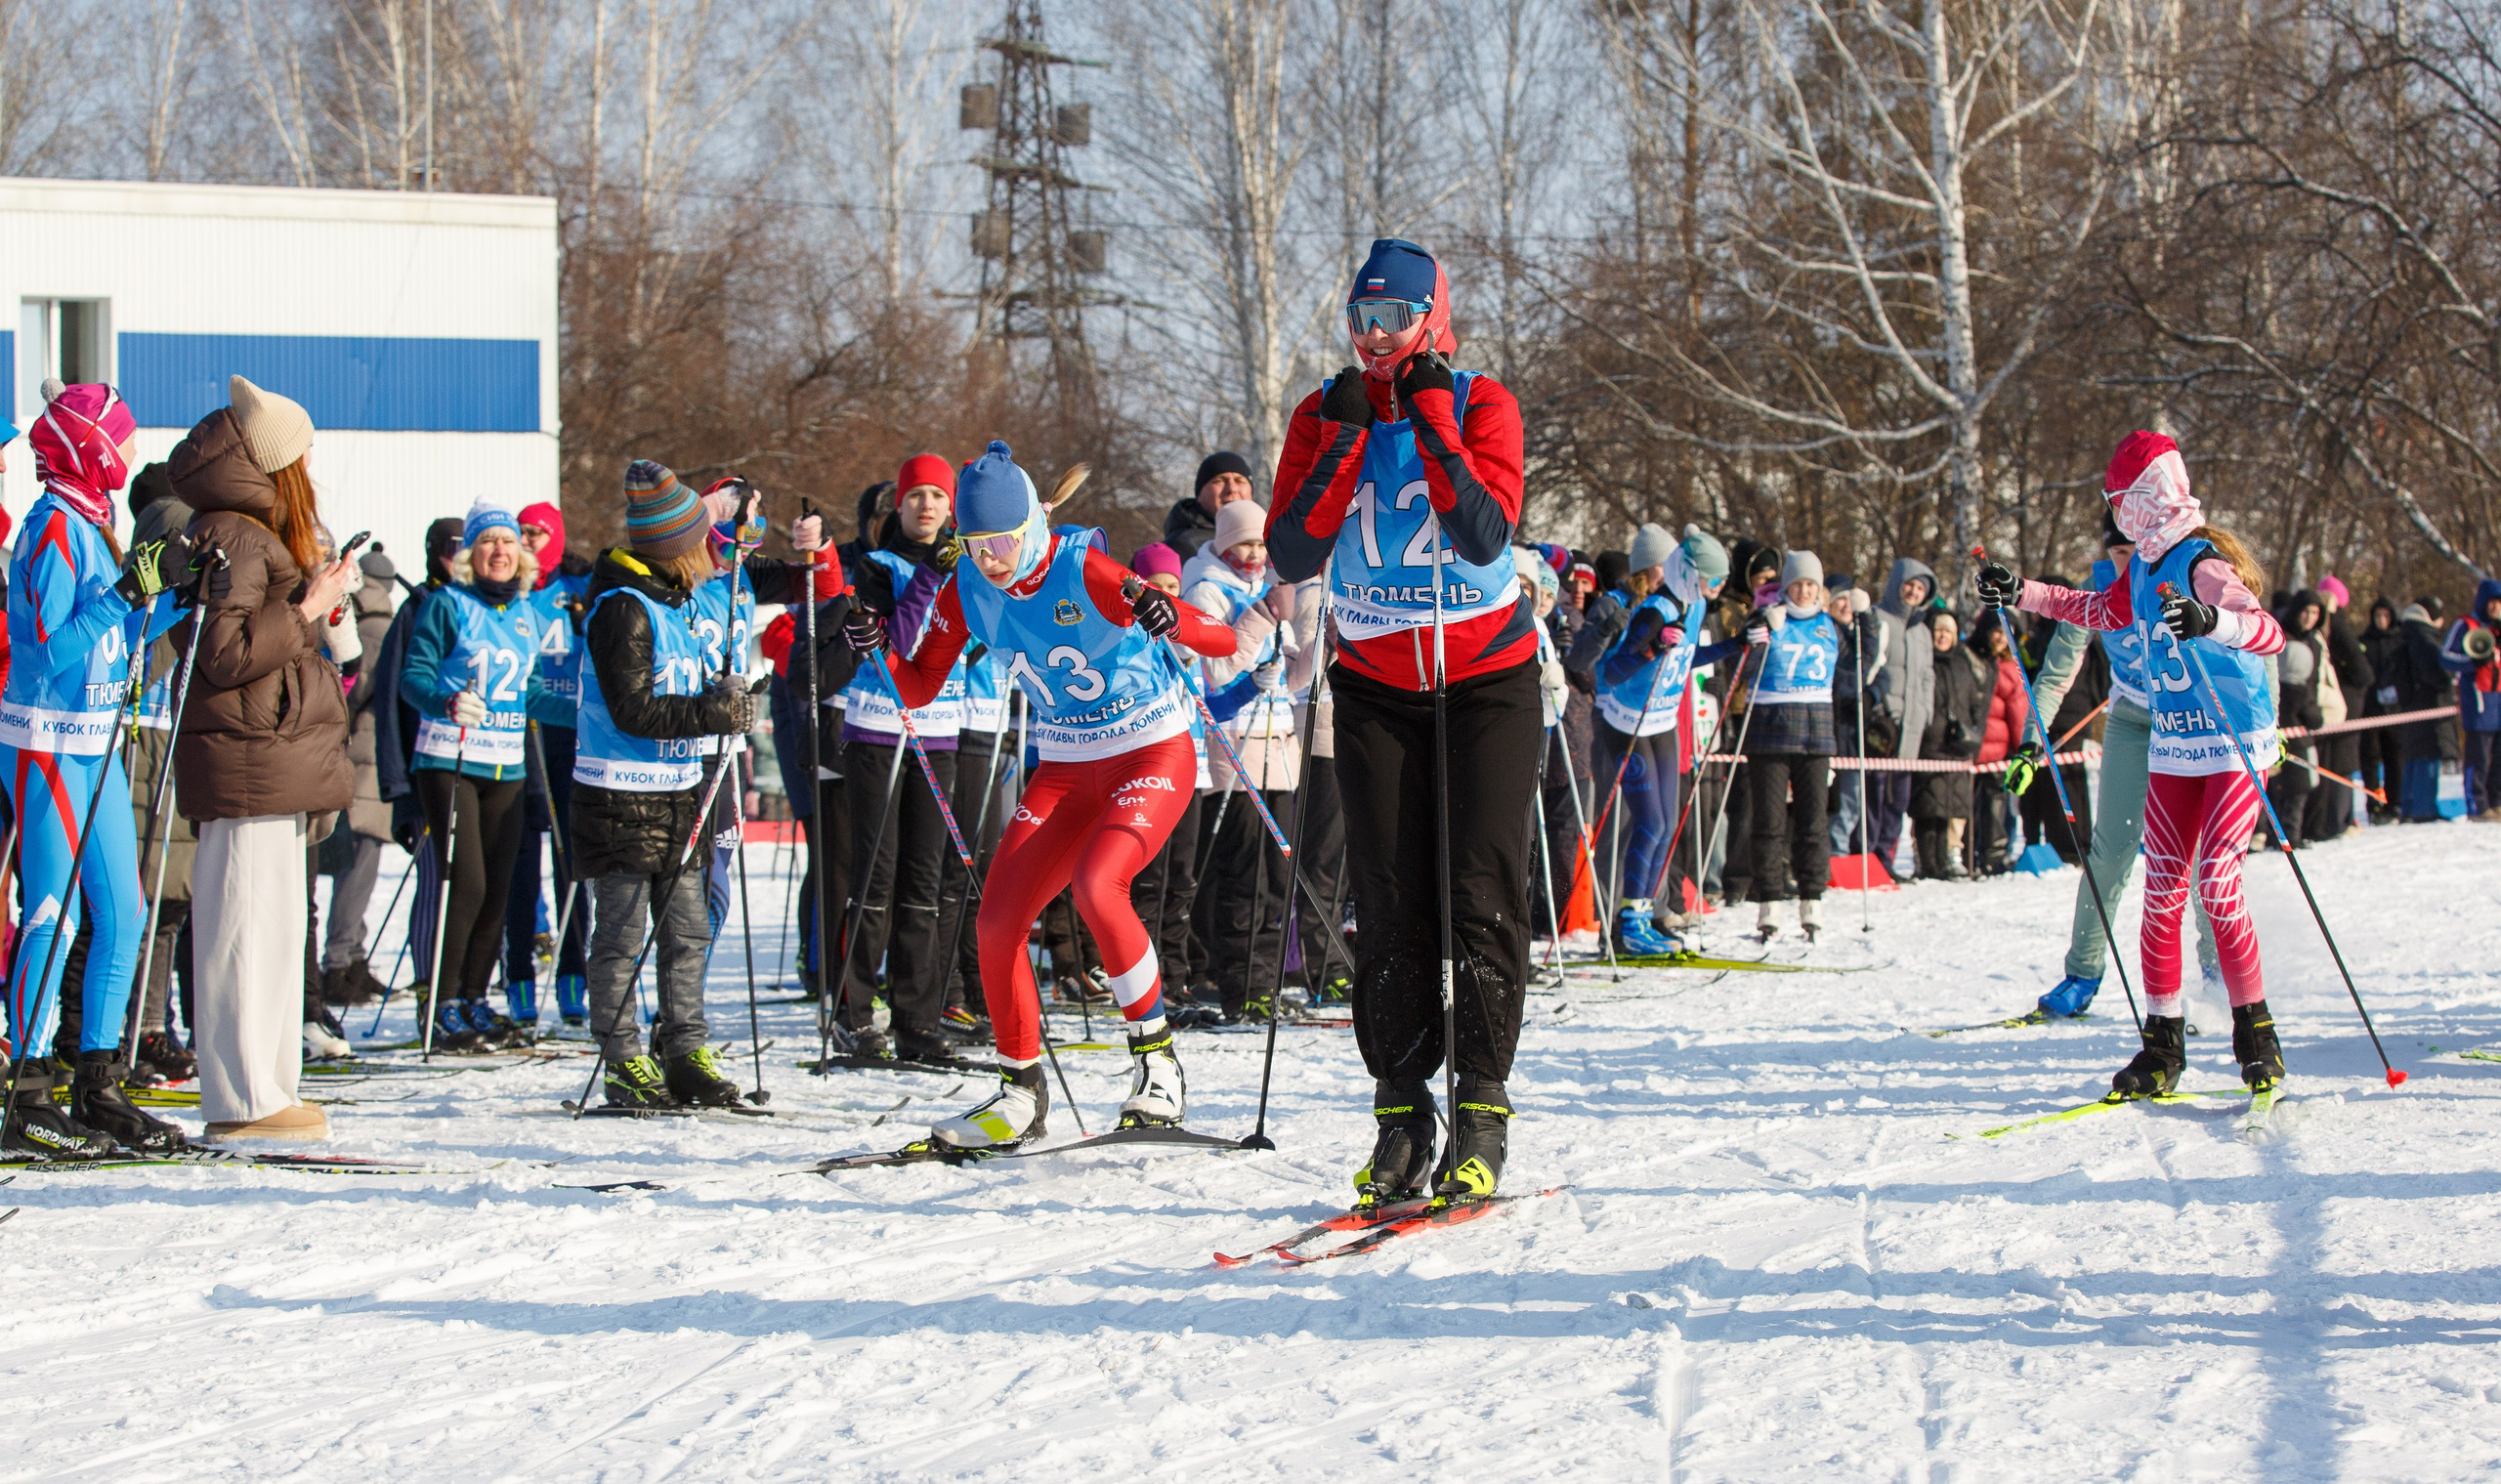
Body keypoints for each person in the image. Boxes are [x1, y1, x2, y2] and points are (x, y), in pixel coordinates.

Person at [857, 443, 1237, 1147]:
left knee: (1099, 886)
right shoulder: (965, 585)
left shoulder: (1084, 567)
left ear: (1033, 522)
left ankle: (1158, 1066)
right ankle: (1020, 1089)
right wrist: (875, 647)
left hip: (1149, 750)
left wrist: (1171, 617)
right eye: (972, 543)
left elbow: (1220, 640)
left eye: (1001, 540)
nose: (991, 557)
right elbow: (915, 687)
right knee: (997, 922)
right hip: (1065, 769)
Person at [1267, 237, 1539, 1207]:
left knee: (1480, 897)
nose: (1376, 338)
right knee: (1387, 907)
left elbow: (1482, 532)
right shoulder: (1321, 413)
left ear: (1434, 321)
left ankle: (1482, 1112)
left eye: (1395, 320)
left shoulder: (1479, 404)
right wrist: (1343, 441)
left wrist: (1429, 420)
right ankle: (1397, 1115)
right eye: (1361, 320)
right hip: (1377, 683)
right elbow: (1295, 551)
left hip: (1486, 682)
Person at [1981, 430, 2290, 1094]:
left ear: (2151, 498)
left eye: (2124, 501)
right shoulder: (2144, 569)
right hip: (2175, 742)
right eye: (2112, 504)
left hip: (2230, 740)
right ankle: (2162, 1043)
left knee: (2216, 882)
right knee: (2161, 891)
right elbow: (2093, 609)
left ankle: (2255, 1031)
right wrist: (2020, 590)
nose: (2120, 516)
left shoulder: (2200, 561)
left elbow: (2269, 632)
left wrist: (2212, 620)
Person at [572, 462, 811, 1109]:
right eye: (701, 542)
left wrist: (728, 696)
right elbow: (633, 710)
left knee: (688, 931)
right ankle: (622, 1055)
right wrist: (713, 714)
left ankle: (686, 1049)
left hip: (682, 786)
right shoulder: (623, 607)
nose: (714, 553)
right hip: (619, 789)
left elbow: (684, 687)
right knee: (621, 935)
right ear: (676, 548)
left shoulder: (677, 602)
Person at [0, 384, 193, 1158]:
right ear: (85, 446)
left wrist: (178, 597)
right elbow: (44, 652)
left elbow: (124, 649)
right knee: (54, 914)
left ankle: (99, 1082)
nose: (128, 451)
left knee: (125, 914)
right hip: (48, 739)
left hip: (98, 741)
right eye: (119, 437)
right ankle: (26, 1090)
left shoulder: (97, 523)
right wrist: (123, 592)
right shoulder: (50, 528)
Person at [170, 375, 360, 1140]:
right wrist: (308, 608)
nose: (310, 474)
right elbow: (222, 652)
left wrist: (315, 604)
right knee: (247, 931)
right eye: (303, 459)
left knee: (273, 930)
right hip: (249, 757)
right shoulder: (240, 535)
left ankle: (268, 1086)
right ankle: (246, 1093)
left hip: (266, 755)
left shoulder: (243, 532)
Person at [2023, 517, 2220, 1019]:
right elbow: (2056, 673)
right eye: (2118, 553)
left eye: (2136, 551)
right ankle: (2082, 973)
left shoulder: (2186, 573)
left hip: (2192, 722)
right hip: (2132, 718)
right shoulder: (2098, 589)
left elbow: (2251, 645)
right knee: (2109, 852)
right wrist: (2031, 744)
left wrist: (2269, 724)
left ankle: (2220, 980)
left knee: (2199, 859)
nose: (2127, 564)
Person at [398, 502, 574, 1050]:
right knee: (467, 884)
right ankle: (443, 1000)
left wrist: (590, 708)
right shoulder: (447, 605)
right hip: (451, 759)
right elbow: (413, 677)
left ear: (520, 556)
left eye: (507, 543)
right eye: (487, 543)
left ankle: (475, 998)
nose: (499, 551)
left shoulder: (528, 615)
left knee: (499, 889)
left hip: (507, 763)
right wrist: (445, 700)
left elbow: (533, 692)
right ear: (471, 555)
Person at [836, 452, 971, 1065]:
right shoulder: (876, 564)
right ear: (899, 504)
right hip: (881, 730)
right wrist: (927, 580)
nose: (926, 507)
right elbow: (893, 643)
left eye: (937, 498)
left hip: (940, 732)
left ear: (951, 508)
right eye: (915, 496)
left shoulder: (967, 565)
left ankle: (919, 1016)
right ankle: (855, 1013)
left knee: (924, 882)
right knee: (876, 877)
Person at [1588, 523, 1731, 954]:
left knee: (1663, 824)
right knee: (1636, 825)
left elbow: (1687, 658)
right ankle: (1620, 924)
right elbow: (1602, 670)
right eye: (1710, 579)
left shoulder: (1691, 607)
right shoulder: (1642, 608)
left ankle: (1644, 915)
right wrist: (1648, 647)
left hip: (1661, 720)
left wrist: (1739, 643)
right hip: (1622, 722)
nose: (1716, 588)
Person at [1741, 550, 1870, 938]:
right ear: (1786, 586)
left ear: (1820, 590)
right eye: (1797, 584)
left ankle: (1811, 897)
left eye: (1810, 585)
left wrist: (1867, 620)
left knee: (1813, 822)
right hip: (1770, 731)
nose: (1803, 591)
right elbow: (1744, 669)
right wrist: (1758, 635)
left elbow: (1862, 661)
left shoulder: (1829, 626)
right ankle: (1770, 901)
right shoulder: (1768, 617)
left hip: (1816, 735)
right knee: (1769, 821)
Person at [504, 501, 594, 1027]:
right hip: (516, 737)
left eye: (538, 533)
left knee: (571, 861)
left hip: (566, 734)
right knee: (519, 864)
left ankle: (573, 974)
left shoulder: (577, 588)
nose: (529, 541)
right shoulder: (509, 589)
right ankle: (517, 973)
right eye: (522, 534)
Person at [320, 547, 402, 1007]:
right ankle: (340, 963)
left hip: (359, 758)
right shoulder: (375, 628)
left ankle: (351, 955)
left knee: (356, 864)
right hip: (363, 761)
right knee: (357, 865)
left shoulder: (362, 620)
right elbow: (354, 692)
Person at [1868, 558, 1938, 874]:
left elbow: (1927, 676)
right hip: (1883, 725)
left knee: (1898, 800)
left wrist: (1925, 713)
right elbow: (1872, 667)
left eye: (1920, 588)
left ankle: (1887, 859)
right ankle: (1866, 859)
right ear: (1897, 584)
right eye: (1909, 584)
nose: (1913, 591)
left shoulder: (1923, 631)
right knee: (1874, 796)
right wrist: (1879, 707)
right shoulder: (1877, 617)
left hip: (1911, 730)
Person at [1912, 608, 1987, 879]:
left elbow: (1975, 701)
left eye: (1948, 631)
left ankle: (1950, 857)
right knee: (1928, 805)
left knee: (1954, 805)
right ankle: (1927, 859)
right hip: (1930, 741)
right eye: (1938, 630)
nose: (1942, 635)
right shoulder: (1924, 659)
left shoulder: (1963, 662)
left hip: (1957, 745)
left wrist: (1973, 734)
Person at [2303, 574, 2372, 842]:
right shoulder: (2328, 626)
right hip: (2334, 701)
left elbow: (2362, 671)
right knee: (2330, 761)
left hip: (2342, 702)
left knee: (2340, 760)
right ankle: (2334, 820)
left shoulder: (2337, 625)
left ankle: (2338, 819)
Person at [1965, 609, 2031, 873]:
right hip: (1976, 745)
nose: (2002, 638)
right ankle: (1975, 856)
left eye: (2007, 633)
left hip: (1998, 748)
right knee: (1975, 806)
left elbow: (2018, 712)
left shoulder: (2009, 666)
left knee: (1995, 806)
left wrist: (2020, 746)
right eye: (1997, 631)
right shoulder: (1977, 660)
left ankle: (1993, 855)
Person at [2268, 591, 2329, 847]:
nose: (2309, 617)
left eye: (2315, 613)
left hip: (2305, 715)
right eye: (2306, 611)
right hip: (2283, 717)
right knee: (2288, 782)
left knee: (2303, 781)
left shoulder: (2315, 639)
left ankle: (2299, 831)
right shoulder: (2282, 636)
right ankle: (2283, 835)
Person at [2438, 578, 2501, 820]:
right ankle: (2478, 805)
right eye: (2493, 603)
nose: (2496, 608)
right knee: (2479, 758)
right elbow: (2445, 657)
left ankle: (2496, 801)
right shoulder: (2466, 624)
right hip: (2478, 703)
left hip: (2498, 700)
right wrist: (2471, 663)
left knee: (2498, 759)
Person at [2358, 597, 2406, 815]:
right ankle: (2374, 804)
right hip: (2370, 709)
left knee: (2395, 757)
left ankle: (2394, 802)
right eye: (2378, 616)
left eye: (2386, 616)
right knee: (2370, 759)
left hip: (2395, 710)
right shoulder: (2365, 641)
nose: (2381, 620)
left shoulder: (2400, 640)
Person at [1163, 451, 1256, 555]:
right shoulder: (1181, 547)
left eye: (1240, 481)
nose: (1232, 489)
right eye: (1220, 481)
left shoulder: (1267, 539)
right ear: (1199, 494)